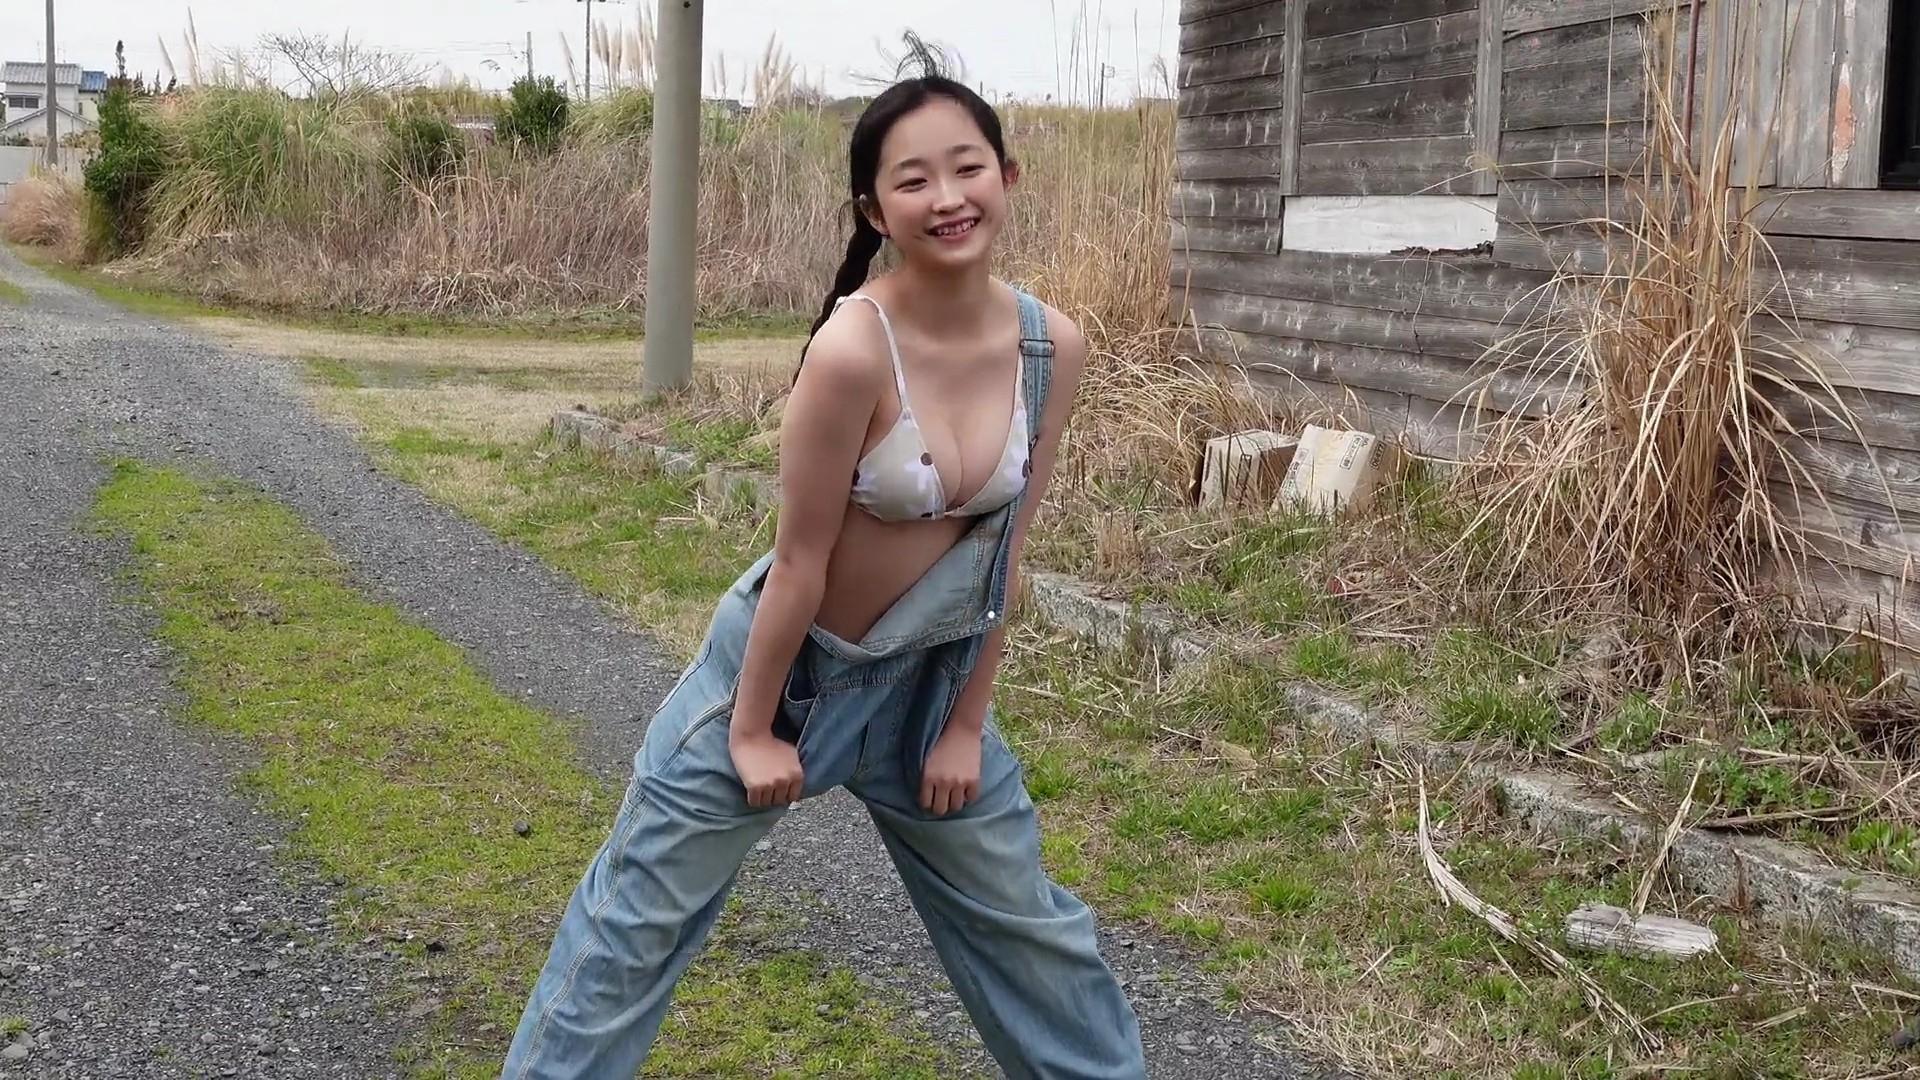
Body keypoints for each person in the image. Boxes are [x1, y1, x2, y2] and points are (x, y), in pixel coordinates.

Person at [501, 70, 1148, 1080]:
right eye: (914, 180)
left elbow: (1007, 554)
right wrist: (750, 731)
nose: (948, 198)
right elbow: (798, 561)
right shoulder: (851, 349)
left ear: (1008, 176)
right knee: (628, 936)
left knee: (1037, 942)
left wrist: (965, 726)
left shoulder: (1048, 347)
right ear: (875, 210)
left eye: (968, 168)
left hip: (932, 685)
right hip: (794, 681)